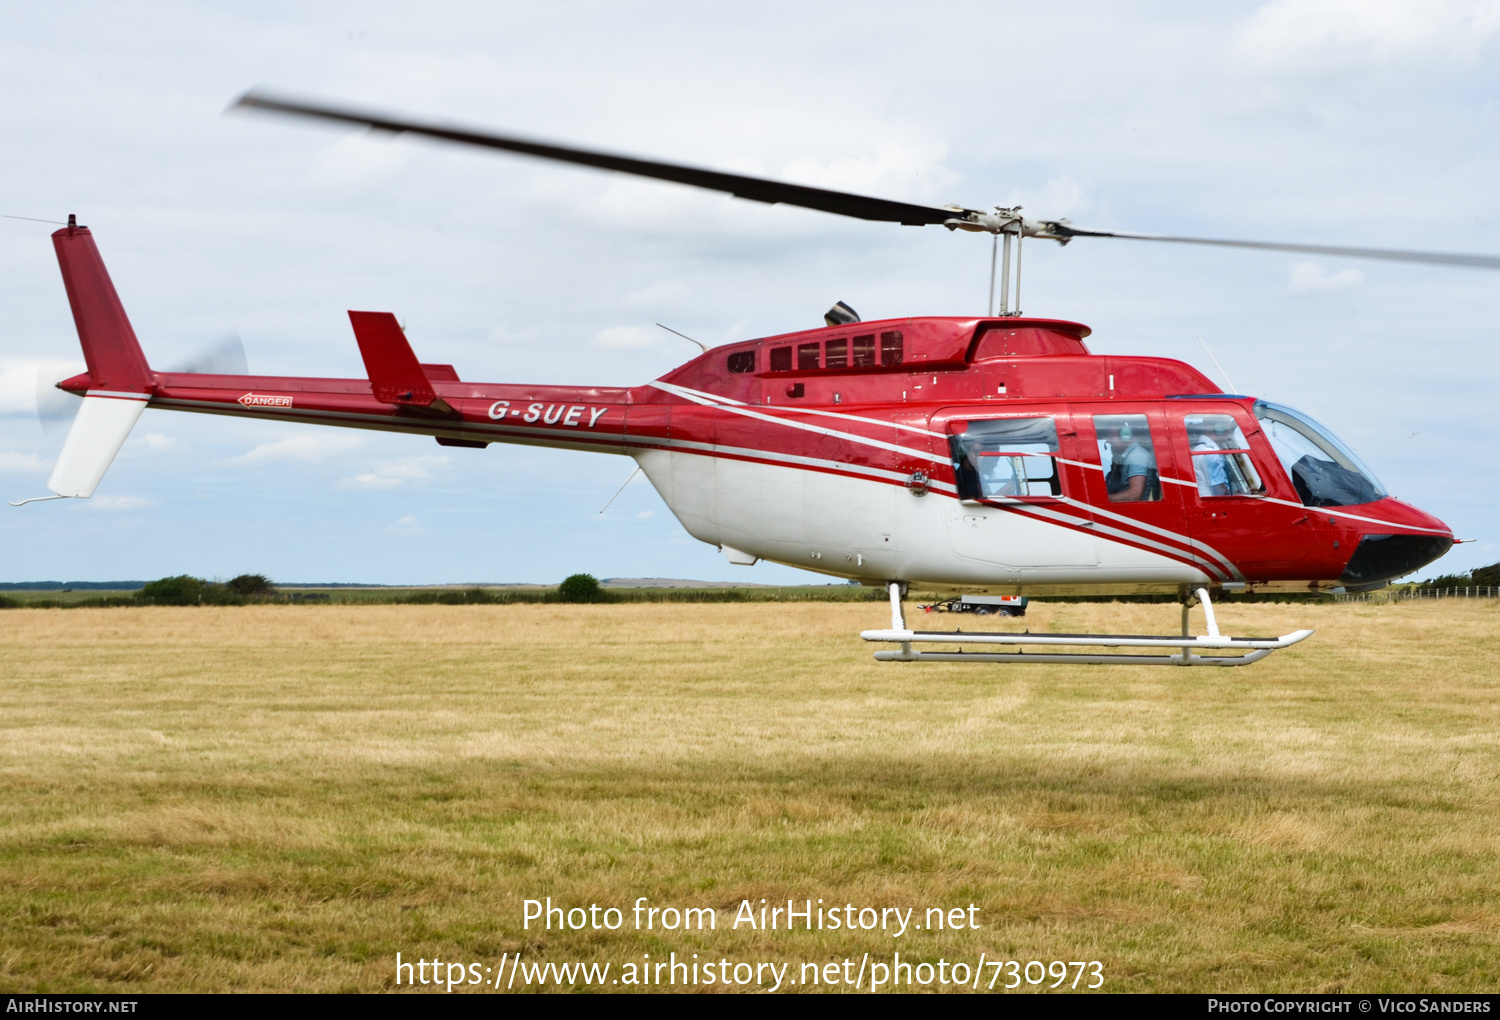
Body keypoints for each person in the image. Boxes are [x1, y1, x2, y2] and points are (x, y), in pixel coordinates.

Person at [1104, 421, 1155, 501]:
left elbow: (1134, 495)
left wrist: (1101, 499)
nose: (1107, 441)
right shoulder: (1123, 458)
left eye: (1110, 436)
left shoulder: (1137, 456)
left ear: (1125, 436)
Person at [1192, 430, 1230, 497]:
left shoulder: (1197, 448)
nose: (1229, 432)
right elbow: (1219, 491)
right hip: (1211, 497)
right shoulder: (1211, 453)